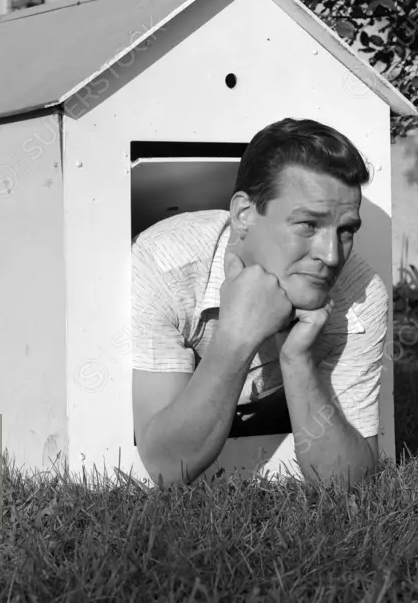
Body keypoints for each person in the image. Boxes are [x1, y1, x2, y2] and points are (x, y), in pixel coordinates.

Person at [130, 117, 389, 488]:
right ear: (243, 215)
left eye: (346, 230)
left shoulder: (360, 293)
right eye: (308, 225)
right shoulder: (167, 264)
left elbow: (348, 482)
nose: (332, 255)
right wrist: (236, 336)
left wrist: (297, 360)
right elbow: (166, 467)